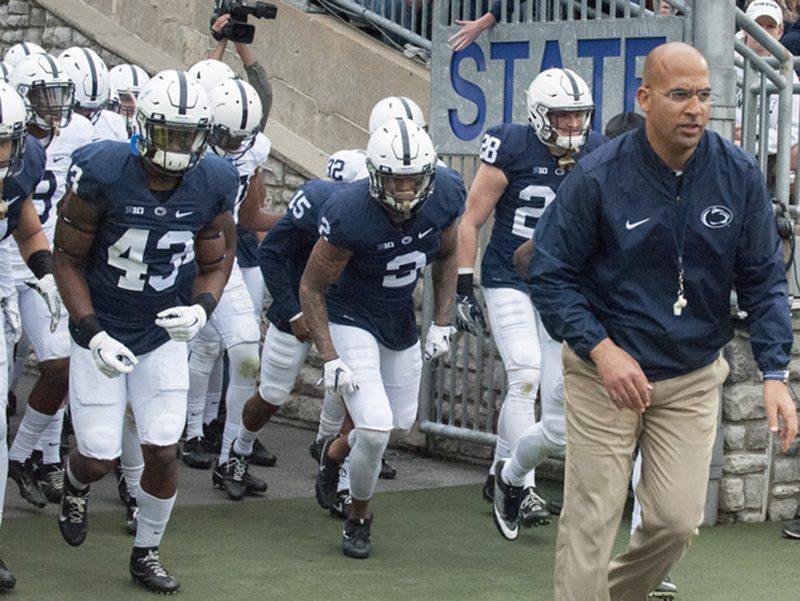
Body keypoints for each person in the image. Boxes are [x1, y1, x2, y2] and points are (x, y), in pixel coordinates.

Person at [528, 42, 797, 600]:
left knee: (676, 522)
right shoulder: (598, 175)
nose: (695, 108)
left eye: (703, 95)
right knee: (592, 518)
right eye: (679, 95)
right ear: (645, 98)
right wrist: (601, 349)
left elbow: (763, 278)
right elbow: (549, 274)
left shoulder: (738, 173)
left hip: (693, 373)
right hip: (606, 373)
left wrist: (775, 372)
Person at [52, 69, 239, 594]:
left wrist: (202, 310)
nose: (179, 146)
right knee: (97, 457)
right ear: (143, 127)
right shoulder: (105, 171)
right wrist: (91, 332)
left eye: (189, 135)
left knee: (162, 447)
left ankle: (147, 551)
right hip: (103, 325)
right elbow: (67, 259)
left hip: (161, 331)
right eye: (170, 133)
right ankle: (73, 481)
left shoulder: (213, 180)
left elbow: (218, 259)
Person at [300, 117, 465, 558]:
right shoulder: (349, 212)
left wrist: (443, 319)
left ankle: (333, 454)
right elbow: (312, 286)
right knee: (373, 430)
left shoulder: (446, 193)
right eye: (397, 180)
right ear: (375, 175)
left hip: (397, 319)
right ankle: (359, 516)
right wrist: (329, 354)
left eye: (415, 181)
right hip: (351, 315)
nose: (407, 192)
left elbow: (448, 255)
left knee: (397, 423)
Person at [456, 67, 604, 537]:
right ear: (540, 116)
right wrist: (463, 282)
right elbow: (470, 219)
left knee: (555, 390)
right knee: (524, 371)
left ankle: (503, 472)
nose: (572, 127)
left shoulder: (597, 152)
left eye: (579, 117)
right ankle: (524, 488)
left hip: (559, 283)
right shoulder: (512, 145)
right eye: (562, 118)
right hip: (508, 276)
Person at [6, 53, 92, 510]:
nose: (53, 105)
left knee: (61, 362)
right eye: (43, 96)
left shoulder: (74, 134)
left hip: (39, 263)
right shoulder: (15, 141)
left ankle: (26, 456)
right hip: (6, 262)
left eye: (59, 95)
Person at [0, 80, 52, 592]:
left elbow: (26, 225)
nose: (2, 154)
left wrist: (47, 272)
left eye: (6, 141)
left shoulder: (25, 159)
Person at [735, 0, 800, 176]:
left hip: (768, 151)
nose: (762, 32)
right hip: (726, 146)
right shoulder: (725, 60)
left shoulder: (787, 71)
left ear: (780, 31)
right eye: (757, 25)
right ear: (745, 28)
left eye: (769, 26)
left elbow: (793, 132)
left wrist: (754, 135)